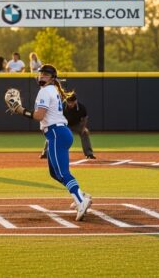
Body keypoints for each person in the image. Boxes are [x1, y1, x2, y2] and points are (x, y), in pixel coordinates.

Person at [9, 64, 92, 221]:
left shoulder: (45, 91)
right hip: (60, 133)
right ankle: (81, 194)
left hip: (56, 133)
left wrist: (21, 110)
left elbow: (39, 116)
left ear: (53, 78)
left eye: (46, 74)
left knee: (62, 172)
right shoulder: (52, 89)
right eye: (41, 74)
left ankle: (81, 201)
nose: (42, 76)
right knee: (55, 173)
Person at [40, 92, 96, 160]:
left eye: (72, 102)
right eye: (68, 102)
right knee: (53, 132)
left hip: (76, 125)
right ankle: (45, 153)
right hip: (64, 124)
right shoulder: (62, 106)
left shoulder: (81, 107)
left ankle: (89, 154)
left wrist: (83, 128)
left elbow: (85, 118)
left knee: (85, 132)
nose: (70, 104)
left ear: (75, 101)